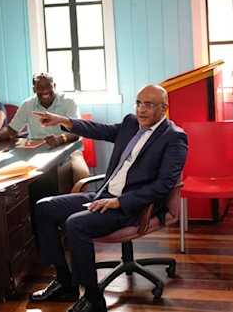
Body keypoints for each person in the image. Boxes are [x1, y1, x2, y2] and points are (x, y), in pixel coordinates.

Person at [28, 85, 188, 312]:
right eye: (139, 103)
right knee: (44, 208)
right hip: (104, 194)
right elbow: (99, 129)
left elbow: (163, 186)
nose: (141, 110)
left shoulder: (174, 138)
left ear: (164, 109)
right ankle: (65, 281)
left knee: (76, 223)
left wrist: (120, 202)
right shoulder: (131, 123)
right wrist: (61, 120)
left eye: (149, 105)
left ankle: (94, 298)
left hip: (132, 206)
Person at [0, 72, 90, 187]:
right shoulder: (28, 105)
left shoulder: (69, 102)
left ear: (54, 86)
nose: (45, 91)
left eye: (48, 86)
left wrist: (60, 139)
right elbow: (11, 130)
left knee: (82, 176)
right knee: (16, 177)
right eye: (39, 87)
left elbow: (77, 131)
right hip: (35, 152)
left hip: (69, 151)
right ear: (34, 89)